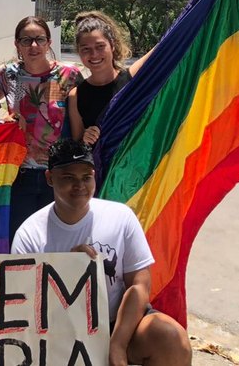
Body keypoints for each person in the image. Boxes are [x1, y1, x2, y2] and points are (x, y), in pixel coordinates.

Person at [12, 140, 192, 366]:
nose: (79, 185)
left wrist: (118, 344)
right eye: (68, 178)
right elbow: (25, 309)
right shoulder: (29, 235)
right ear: (50, 178)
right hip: (59, 332)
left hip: (118, 325)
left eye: (86, 177)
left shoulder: (121, 217)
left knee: (170, 338)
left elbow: (140, 284)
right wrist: (66, 270)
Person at [0, 16, 82, 240]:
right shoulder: (9, 75)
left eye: (39, 39)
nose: (33, 46)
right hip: (18, 175)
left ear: (49, 42)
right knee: (20, 242)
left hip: (59, 174)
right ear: (17, 44)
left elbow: (87, 112)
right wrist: (3, 123)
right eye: (26, 40)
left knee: (57, 243)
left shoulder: (68, 76)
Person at [68, 11, 149, 146]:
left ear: (112, 45)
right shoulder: (75, 95)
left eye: (100, 46)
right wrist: (85, 138)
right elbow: (77, 144)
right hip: (99, 166)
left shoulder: (132, 78)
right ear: (79, 52)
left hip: (136, 164)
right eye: (86, 49)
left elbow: (168, 45)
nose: (94, 54)